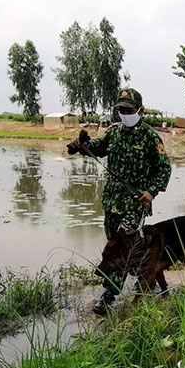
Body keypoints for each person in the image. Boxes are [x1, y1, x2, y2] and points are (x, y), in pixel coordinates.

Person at [67, 87, 172, 314]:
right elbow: (98, 148)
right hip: (112, 202)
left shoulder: (150, 137)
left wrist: (151, 192)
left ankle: (109, 294)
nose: (125, 114)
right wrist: (81, 145)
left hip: (135, 203)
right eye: (122, 110)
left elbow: (164, 169)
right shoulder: (114, 132)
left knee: (120, 248)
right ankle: (147, 274)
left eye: (130, 110)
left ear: (140, 110)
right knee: (119, 247)